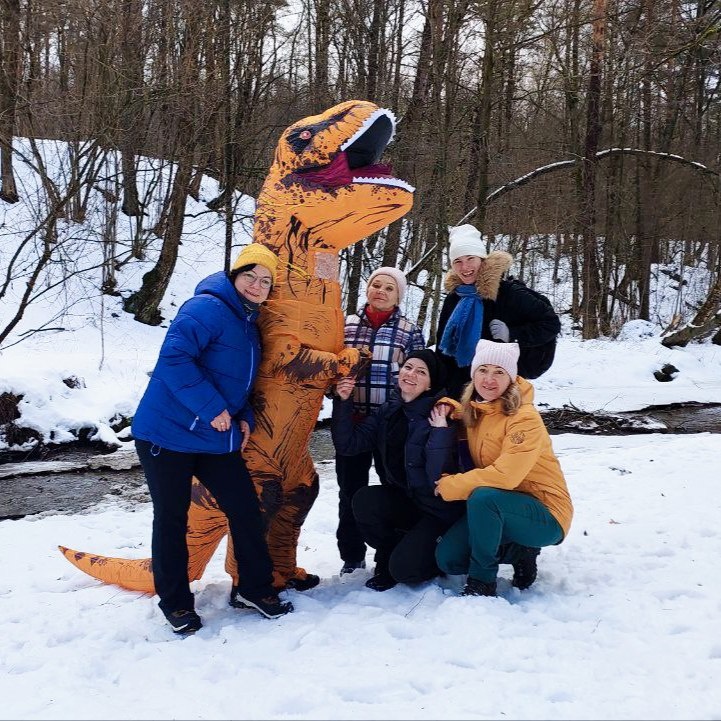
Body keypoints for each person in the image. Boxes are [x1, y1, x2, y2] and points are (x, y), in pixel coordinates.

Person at [131, 243, 293, 634]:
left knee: (245, 508)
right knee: (172, 518)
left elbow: (239, 381)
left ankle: (252, 588)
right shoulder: (206, 307)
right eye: (250, 276)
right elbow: (174, 359)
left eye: (265, 281)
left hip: (213, 437)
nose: (257, 285)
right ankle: (175, 604)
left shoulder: (248, 322)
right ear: (234, 275)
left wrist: (243, 416)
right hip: (167, 434)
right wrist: (212, 408)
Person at [432, 339, 573, 597]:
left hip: (545, 512)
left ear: (511, 378)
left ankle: (482, 581)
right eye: (483, 370)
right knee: (449, 559)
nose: (489, 379)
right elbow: (474, 419)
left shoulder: (525, 418)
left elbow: (505, 477)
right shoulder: (477, 410)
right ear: (473, 374)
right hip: (502, 507)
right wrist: (451, 408)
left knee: (483, 497)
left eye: (499, 372)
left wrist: (452, 485)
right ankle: (520, 551)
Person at [332, 349, 465, 591]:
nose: (411, 374)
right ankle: (393, 549)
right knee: (365, 500)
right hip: (407, 502)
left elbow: (439, 476)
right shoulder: (389, 410)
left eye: (421, 372)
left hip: (437, 511)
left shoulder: (442, 414)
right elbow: (348, 445)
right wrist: (343, 402)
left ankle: (440, 549)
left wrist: (440, 433)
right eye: (408, 367)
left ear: (430, 384)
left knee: (405, 571)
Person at [335, 267, 426, 576]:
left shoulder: (408, 330)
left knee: (394, 487)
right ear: (367, 289)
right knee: (350, 490)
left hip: (391, 423)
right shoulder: (346, 325)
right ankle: (352, 554)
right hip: (353, 421)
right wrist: (338, 392)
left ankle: (392, 552)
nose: (381, 291)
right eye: (376, 284)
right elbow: (333, 367)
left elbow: (417, 374)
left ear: (398, 296)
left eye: (389, 288)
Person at [435, 224, 561, 399]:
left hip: (502, 390)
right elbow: (442, 349)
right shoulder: (454, 298)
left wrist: (513, 334)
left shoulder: (510, 293)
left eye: (470, 258)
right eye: (458, 261)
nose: (465, 267)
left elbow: (550, 324)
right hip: (460, 389)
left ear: (482, 259)